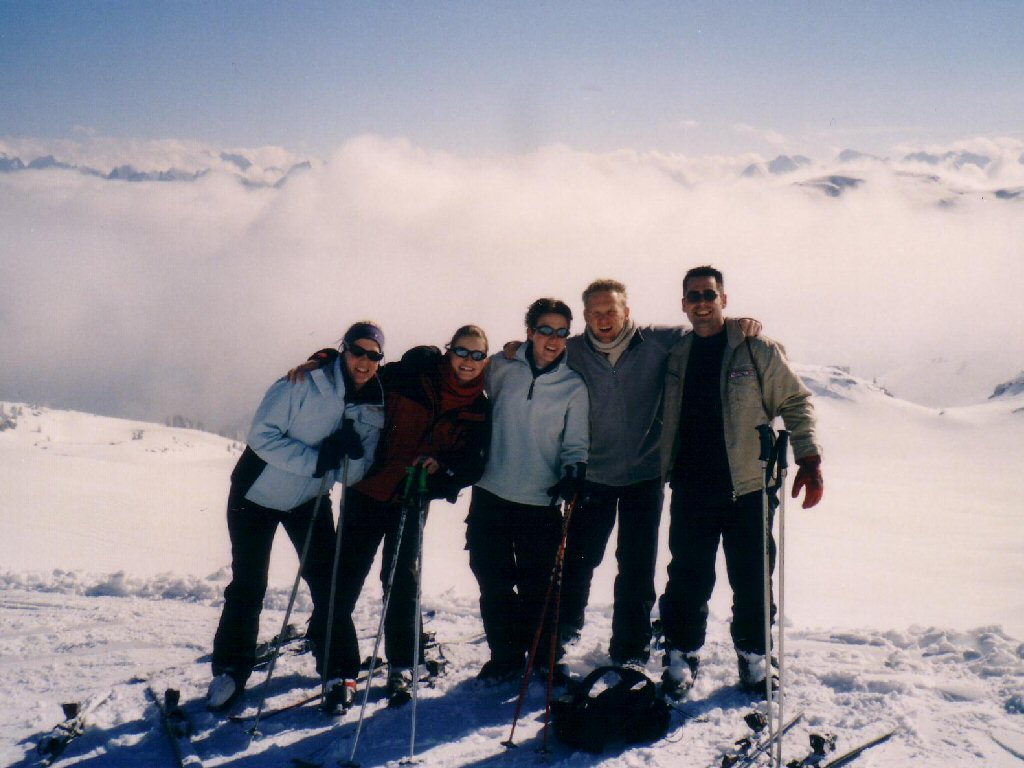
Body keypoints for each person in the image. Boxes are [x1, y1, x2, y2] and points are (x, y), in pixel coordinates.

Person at [515, 280, 760, 668]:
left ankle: (630, 647)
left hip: (645, 475)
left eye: (611, 310)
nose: (604, 318)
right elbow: (537, 354)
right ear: (585, 317)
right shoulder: (574, 350)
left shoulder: (659, 343)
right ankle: (564, 630)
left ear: (627, 312)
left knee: (637, 566)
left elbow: (705, 327)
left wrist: (738, 324)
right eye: (595, 312)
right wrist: (516, 348)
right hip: (593, 474)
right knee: (579, 560)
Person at [292, 326, 491, 706]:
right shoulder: (414, 373)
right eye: (462, 352)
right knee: (343, 580)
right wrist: (325, 358)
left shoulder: (478, 407)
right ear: (449, 352)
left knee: (401, 580)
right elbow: (362, 369)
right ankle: (338, 671)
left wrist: (442, 468)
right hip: (367, 487)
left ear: (485, 359)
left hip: (412, 495)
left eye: (477, 355)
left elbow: (472, 462)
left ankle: (404, 663)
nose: (468, 361)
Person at [657, 266, 823, 700]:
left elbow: (795, 399)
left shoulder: (756, 349)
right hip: (691, 484)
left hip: (748, 486)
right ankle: (681, 653)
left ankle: (754, 656)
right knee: (688, 576)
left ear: (724, 300)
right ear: (683, 304)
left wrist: (809, 458)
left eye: (709, 294)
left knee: (752, 577)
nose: (701, 302)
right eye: (693, 296)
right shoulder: (675, 352)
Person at [207, 321, 387, 713]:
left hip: (307, 498)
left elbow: (353, 474)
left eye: (374, 356)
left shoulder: (373, 405)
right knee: (249, 583)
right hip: (255, 493)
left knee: (328, 583)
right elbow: (262, 436)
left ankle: (339, 670)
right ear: (343, 350)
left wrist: (349, 456)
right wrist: (317, 459)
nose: (365, 362)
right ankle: (230, 669)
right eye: (358, 351)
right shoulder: (304, 382)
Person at [468, 299, 589, 686]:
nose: (552, 339)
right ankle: (504, 656)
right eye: (545, 329)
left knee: (541, 586)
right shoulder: (502, 367)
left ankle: (543, 657)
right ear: (530, 331)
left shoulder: (573, 385)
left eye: (561, 332)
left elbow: (575, 445)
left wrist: (572, 474)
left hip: (541, 499)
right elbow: (464, 380)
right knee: (494, 581)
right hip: (491, 493)